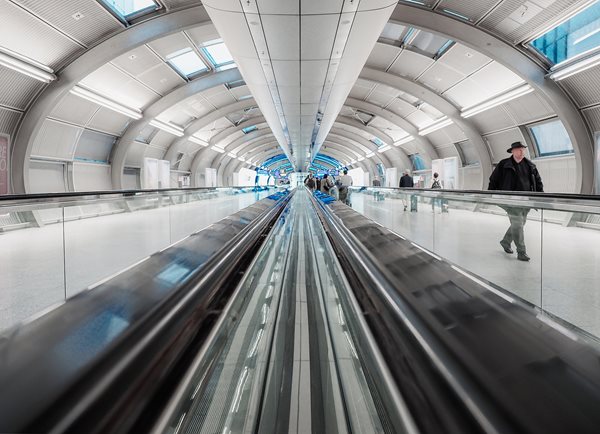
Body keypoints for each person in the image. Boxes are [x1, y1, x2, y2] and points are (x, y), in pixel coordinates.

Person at [488, 141, 544, 262]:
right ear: (513, 151)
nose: (522, 151)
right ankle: (521, 252)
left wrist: (540, 197)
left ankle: (505, 242)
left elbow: (538, 182)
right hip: (509, 201)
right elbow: (493, 179)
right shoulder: (504, 164)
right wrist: (491, 194)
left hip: (526, 201)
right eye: (519, 149)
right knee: (518, 223)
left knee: (519, 223)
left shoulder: (530, 165)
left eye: (523, 149)